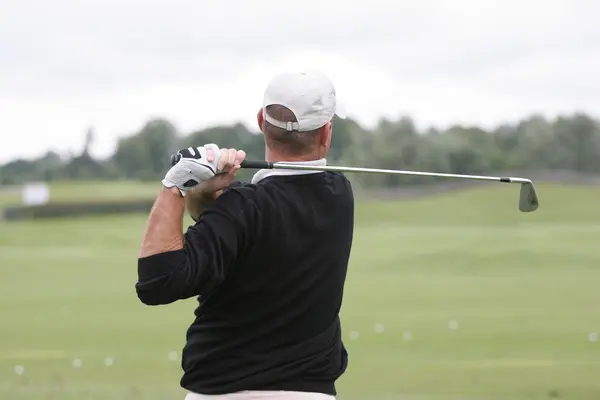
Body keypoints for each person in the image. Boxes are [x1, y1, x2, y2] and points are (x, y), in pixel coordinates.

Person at [135, 70, 354, 399]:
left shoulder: (240, 209)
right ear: (326, 132)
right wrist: (208, 198)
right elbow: (254, 226)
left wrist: (176, 186)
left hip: (221, 391)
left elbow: (158, 280)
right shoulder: (340, 195)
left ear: (260, 122)